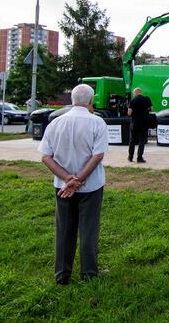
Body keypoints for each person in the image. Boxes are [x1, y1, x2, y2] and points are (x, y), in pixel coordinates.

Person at [38, 84, 108, 285]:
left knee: (64, 229)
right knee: (88, 229)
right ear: (91, 101)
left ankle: (62, 274)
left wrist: (68, 179)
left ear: (72, 99)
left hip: (62, 187)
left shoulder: (55, 123)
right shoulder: (97, 123)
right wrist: (78, 180)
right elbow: (98, 155)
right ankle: (88, 273)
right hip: (91, 186)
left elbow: (46, 157)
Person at [127, 87, 152, 163]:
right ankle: (139, 158)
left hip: (134, 123)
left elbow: (129, 113)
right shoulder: (147, 99)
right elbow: (151, 109)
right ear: (140, 92)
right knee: (142, 140)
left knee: (132, 140)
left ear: (135, 93)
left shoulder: (133, 100)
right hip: (144, 123)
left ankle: (130, 157)